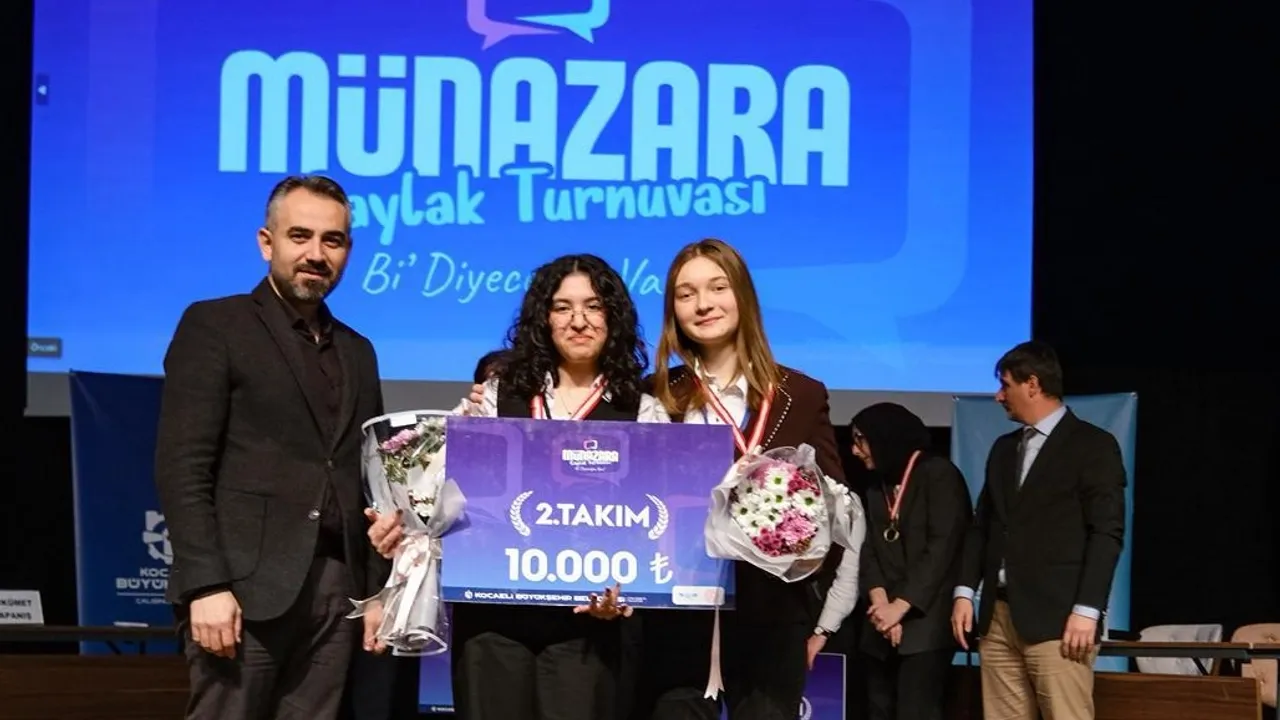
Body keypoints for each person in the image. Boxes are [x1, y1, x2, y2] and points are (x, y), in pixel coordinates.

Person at [369, 254, 664, 720]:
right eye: (562, 307)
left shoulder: (643, 411)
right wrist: (404, 524)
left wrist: (629, 590)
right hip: (492, 621)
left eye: (593, 306)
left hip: (590, 626)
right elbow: (443, 493)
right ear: (543, 319)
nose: (578, 321)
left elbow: (653, 524)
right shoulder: (495, 397)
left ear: (614, 317)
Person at [154, 175, 389, 719]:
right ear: (267, 242)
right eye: (299, 236)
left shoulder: (359, 351)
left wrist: (377, 592)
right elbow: (182, 466)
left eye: (332, 240)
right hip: (241, 589)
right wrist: (205, 585)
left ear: (348, 251)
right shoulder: (216, 325)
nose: (316, 254)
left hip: (336, 591)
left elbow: (371, 479)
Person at [638, 237, 862, 720]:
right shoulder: (652, 395)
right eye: (686, 294)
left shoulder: (800, 395)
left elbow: (835, 505)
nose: (703, 304)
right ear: (673, 310)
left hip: (771, 613)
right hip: (674, 613)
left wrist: (804, 580)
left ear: (742, 294)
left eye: (717, 287)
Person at [950, 341, 1127, 720]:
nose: (998, 396)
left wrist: (1087, 610)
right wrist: (964, 592)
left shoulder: (1093, 446)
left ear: (1032, 384)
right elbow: (983, 526)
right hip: (998, 618)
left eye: (1005, 385)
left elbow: (1106, 533)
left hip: (1059, 620)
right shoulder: (1003, 449)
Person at [850, 403, 972, 720]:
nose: (855, 450)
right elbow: (869, 548)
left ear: (885, 437)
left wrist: (899, 607)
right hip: (880, 623)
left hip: (924, 623)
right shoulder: (876, 484)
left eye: (861, 440)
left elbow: (941, 550)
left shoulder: (939, 475)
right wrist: (880, 604)